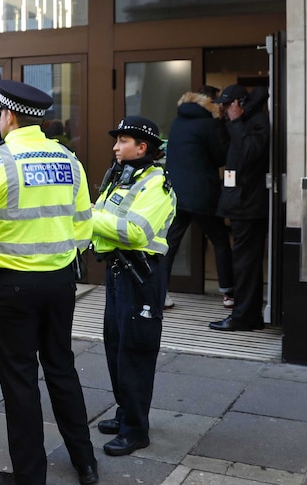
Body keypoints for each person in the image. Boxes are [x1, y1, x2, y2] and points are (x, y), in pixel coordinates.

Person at [0, 80, 98, 485]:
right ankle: (85, 463)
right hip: (59, 284)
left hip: (11, 289)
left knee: (20, 380)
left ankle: (29, 477)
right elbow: (84, 228)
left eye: (0, 114)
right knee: (61, 368)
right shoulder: (69, 159)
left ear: (9, 116)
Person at [91, 116, 176, 457]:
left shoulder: (156, 184)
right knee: (116, 346)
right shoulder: (123, 177)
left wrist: (87, 215)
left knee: (136, 351)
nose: (115, 146)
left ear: (142, 147)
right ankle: (126, 412)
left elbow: (135, 232)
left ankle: (136, 430)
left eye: (122, 141)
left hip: (141, 275)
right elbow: (107, 219)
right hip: (118, 272)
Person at [164, 88, 234, 309]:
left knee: (170, 242)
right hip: (202, 192)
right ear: (209, 103)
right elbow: (220, 156)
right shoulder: (208, 123)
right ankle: (228, 292)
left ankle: (159, 293)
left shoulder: (178, 121)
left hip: (177, 193)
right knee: (220, 239)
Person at [208, 84, 270, 332]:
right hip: (242, 202)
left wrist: (234, 123)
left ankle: (242, 317)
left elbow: (247, 154)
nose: (223, 109)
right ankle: (248, 315)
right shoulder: (245, 123)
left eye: (226, 105)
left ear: (239, 104)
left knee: (245, 264)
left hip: (249, 205)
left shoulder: (256, 123)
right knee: (245, 263)